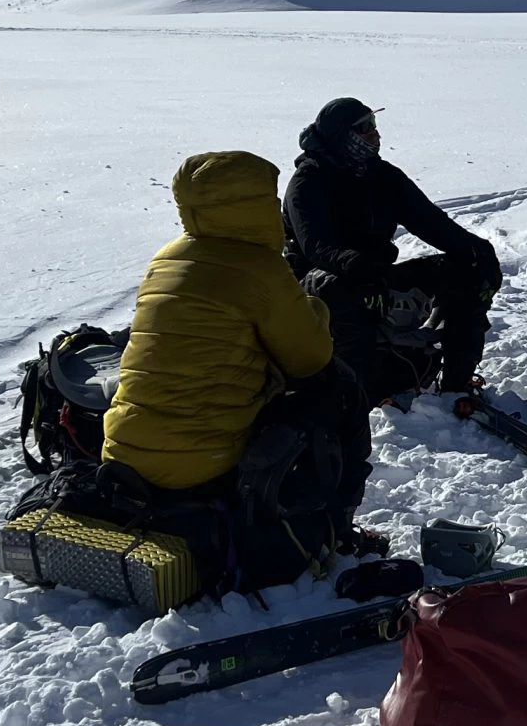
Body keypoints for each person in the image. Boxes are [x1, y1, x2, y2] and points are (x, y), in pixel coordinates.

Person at [99, 150, 379, 570]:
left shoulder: (166, 259)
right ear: (253, 207)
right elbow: (310, 359)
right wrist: (315, 309)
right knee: (342, 391)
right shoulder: (259, 267)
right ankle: (335, 532)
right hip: (200, 460)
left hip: (123, 451)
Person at [282, 95, 501, 401]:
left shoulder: (381, 175)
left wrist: (479, 252)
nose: (375, 134)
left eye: (374, 125)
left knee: (469, 268)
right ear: (341, 136)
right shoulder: (308, 182)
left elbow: (431, 222)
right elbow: (315, 245)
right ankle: (358, 395)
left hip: (373, 274)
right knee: (340, 287)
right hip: (317, 286)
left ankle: (455, 383)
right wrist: (354, 265)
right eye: (365, 128)